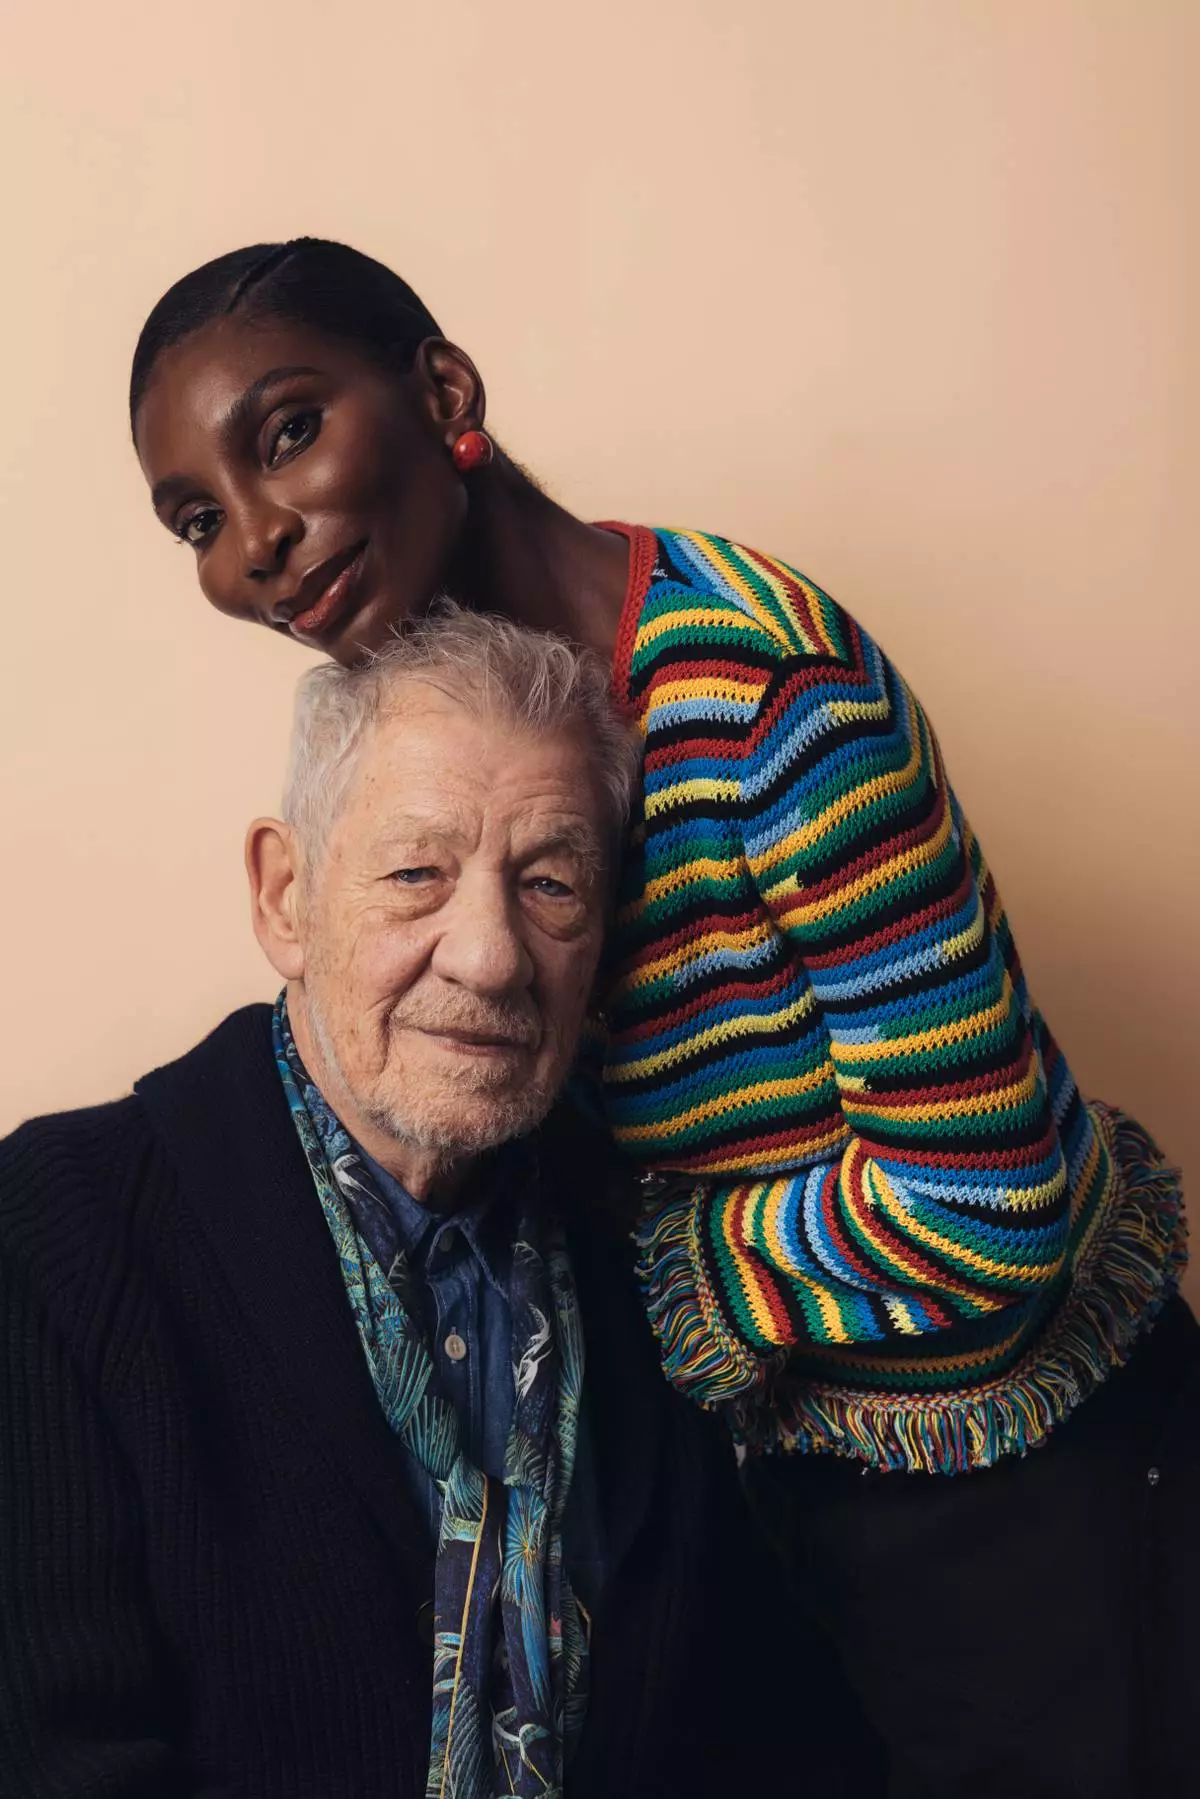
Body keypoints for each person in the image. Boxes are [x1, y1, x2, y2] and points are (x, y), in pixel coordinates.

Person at [128, 239, 1197, 1796]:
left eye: (286, 432)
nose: (260, 546)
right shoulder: (492, 726)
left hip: (1027, 1484)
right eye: (198, 521)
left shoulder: (764, 691)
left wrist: (663, 1285)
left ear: (443, 392)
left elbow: (993, 1195)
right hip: (795, 1485)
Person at [0, 613, 872, 1798]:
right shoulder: (61, 1232)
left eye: (551, 882)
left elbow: (773, 1726)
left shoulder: (661, 1236)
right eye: (417, 871)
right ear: (286, 894)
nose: (489, 955)